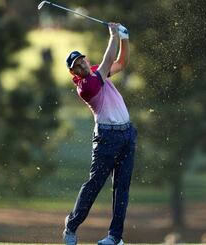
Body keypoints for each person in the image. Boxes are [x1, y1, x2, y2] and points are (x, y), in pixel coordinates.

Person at [63, 23, 137, 245]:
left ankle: (115, 237)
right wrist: (114, 35)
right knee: (95, 184)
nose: (82, 65)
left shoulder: (96, 72)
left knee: (121, 188)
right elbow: (106, 64)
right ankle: (71, 225)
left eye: (82, 60)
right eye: (77, 65)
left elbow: (121, 63)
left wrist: (125, 38)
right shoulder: (86, 86)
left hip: (127, 134)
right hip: (107, 138)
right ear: (73, 73)